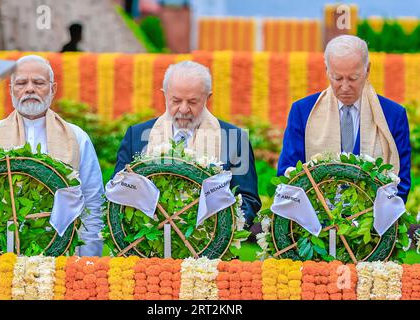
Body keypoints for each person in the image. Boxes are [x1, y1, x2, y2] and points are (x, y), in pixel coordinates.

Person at [0, 55, 104, 256]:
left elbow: (93, 202)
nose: (30, 89)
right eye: (22, 83)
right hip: (1, 252)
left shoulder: (77, 137)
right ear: (11, 90)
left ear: (53, 89)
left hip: (64, 253)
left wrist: (88, 260)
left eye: (39, 83)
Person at [112, 60, 262, 226]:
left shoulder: (235, 138)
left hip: (211, 246)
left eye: (192, 102)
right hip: (146, 245)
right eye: (176, 101)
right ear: (164, 95)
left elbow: (248, 200)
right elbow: (118, 191)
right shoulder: (137, 135)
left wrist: (222, 230)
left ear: (208, 97)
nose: (183, 109)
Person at [277, 35, 411, 202]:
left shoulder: (393, 115)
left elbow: (401, 181)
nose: (345, 87)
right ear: (326, 70)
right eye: (337, 78)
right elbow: (288, 174)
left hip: (374, 223)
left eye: (353, 78)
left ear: (367, 69)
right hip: (315, 221)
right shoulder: (303, 111)